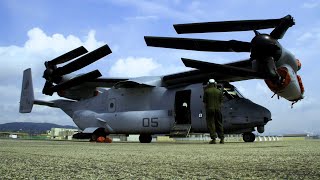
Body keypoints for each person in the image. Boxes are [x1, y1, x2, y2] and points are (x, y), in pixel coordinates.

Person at [203, 79, 224, 144]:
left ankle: (214, 139)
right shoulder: (219, 91)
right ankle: (222, 139)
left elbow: (205, 102)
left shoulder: (206, 91)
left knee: (211, 123)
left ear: (208, 83)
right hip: (218, 109)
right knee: (219, 123)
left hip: (210, 109)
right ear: (215, 83)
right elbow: (221, 102)